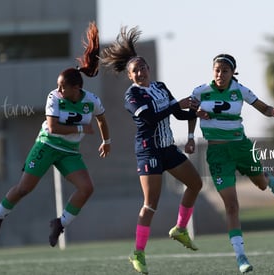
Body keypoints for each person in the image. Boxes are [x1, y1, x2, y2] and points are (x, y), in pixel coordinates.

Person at [0, 22, 111, 247]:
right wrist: (83, 129)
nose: (58, 90)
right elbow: (53, 128)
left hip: (69, 151)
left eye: (63, 87)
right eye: (58, 86)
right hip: (47, 145)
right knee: (24, 188)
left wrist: (106, 141)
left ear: (76, 88)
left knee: (87, 188)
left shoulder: (91, 101)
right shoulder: (54, 97)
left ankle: (59, 224)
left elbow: (102, 118)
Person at [100, 26, 202, 275]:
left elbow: (177, 114)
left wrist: (195, 111)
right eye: (135, 71)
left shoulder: (161, 87)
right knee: (151, 203)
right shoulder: (131, 96)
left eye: (143, 68)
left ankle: (179, 229)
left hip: (167, 148)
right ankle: (138, 252)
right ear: (130, 76)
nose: (140, 73)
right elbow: (150, 119)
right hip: (148, 151)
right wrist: (176, 105)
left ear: (149, 69)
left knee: (196, 183)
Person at [185, 54, 274, 273]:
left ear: (233, 73)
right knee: (232, 206)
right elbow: (191, 113)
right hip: (218, 154)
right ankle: (240, 256)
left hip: (241, 147)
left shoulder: (241, 90)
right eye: (217, 70)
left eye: (225, 71)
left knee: (260, 184)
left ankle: (266, 177)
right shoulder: (200, 91)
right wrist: (191, 138)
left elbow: (264, 108)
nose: (220, 75)